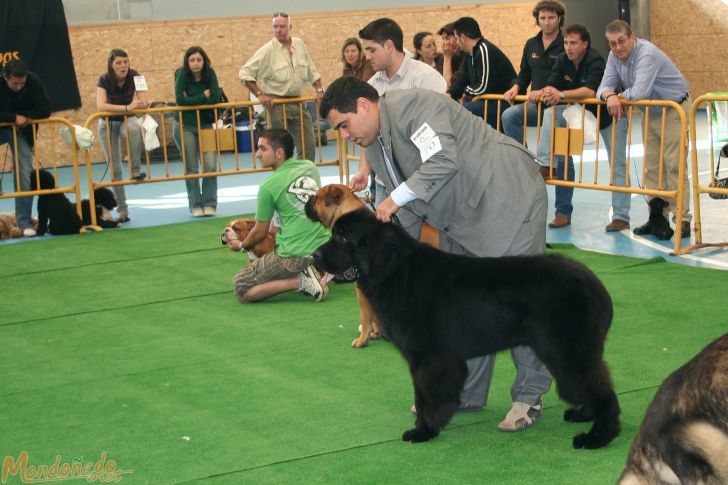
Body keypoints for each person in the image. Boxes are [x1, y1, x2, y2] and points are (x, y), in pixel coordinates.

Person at [321, 76, 553, 432]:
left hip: (510, 198)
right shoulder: (372, 147)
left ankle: (528, 397)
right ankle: (465, 393)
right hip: (462, 218)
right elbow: (411, 208)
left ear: (364, 106)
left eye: (343, 125)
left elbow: (442, 160)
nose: (343, 135)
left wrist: (393, 200)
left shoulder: (415, 106)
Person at [597, 19, 692, 237]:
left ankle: (683, 220)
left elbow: (640, 90)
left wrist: (617, 96)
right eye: (612, 43)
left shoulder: (646, 53)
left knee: (673, 165)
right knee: (652, 168)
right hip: (651, 110)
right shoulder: (613, 57)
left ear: (633, 38)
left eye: (622, 41)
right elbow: (602, 86)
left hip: (674, 108)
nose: (618, 47)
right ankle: (657, 218)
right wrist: (609, 95)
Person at [535, 24, 631, 231]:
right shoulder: (562, 59)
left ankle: (621, 217)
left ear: (585, 45)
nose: (568, 47)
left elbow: (590, 91)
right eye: (566, 43)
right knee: (551, 115)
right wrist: (546, 91)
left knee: (618, 164)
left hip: (609, 116)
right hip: (576, 115)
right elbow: (551, 86)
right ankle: (546, 164)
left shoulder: (596, 60)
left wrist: (560, 94)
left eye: (573, 43)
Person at [225, 128, 331, 303]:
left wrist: (242, 246)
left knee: (241, 287)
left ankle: (300, 281)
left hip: (295, 254)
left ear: (279, 153)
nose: (258, 154)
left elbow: (260, 232)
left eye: (262, 148)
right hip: (325, 247)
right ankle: (313, 271)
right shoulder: (310, 167)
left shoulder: (268, 186)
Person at [350, 18, 447, 203]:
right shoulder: (370, 88)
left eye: (371, 50)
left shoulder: (426, 79)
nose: (367, 56)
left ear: (389, 46)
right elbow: (368, 136)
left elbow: (440, 134)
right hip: (384, 184)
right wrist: (364, 170)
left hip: (421, 185)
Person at [239, 12, 325, 162]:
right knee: (279, 149)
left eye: (282, 26)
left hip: (298, 102)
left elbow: (312, 70)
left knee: (308, 145)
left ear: (290, 27)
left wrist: (319, 90)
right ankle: (283, 180)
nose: (278, 30)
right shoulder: (267, 50)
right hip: (275, 105)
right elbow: (245, 74)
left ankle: (304, 180)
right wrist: (260, 94)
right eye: (275, 27)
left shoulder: (300, 44)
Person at [502, 0, 565, 155]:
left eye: (551, 17)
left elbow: (567, 77)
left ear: (559, 19)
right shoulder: (531, 44)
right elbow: (525, 73)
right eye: (542, 18)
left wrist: (546, 91)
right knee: (509, 115)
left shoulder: (567, 44)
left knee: (562, 153)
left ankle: (565, 174)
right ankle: (524, 159)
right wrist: (516, 87)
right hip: (536, 106)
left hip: (561, 105)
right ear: (537, 19)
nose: (546, 22)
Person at [96, 48, 148, 223]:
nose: (123, 66)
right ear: (111, 65)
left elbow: (144, 103)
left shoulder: (136, 76)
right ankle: (123, 210)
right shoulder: (104, 79)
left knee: (134, 128)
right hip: (108, 123)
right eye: (118, 62)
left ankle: (135, 170)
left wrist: (134, 107)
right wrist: (127, 107)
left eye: (125, 62)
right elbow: (101, 106)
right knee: (115, 168)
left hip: (127, 120)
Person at [0, 59, 51, 237]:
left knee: (25, 173)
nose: (19, 87)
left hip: (21, 133)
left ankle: (24, 221)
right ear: (5, 77)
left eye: (22, 83)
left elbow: (45, 109)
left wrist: (26, 117)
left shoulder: (33, 81)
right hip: (4, 127)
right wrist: (13, 117)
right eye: (15, 83)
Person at [173, 46, 222, 218]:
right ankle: (195, 204)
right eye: (192, 60)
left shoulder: (210, 74)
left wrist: (192, 99)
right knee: (191, 167)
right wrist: (203, 96)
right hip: (185, 125)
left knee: (210, 165)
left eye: (199, 60)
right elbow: (180, 100)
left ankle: (209, 203)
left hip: (205, 125)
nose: (195, 63)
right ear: (187, 62)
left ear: (204, 61)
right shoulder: (181, 75)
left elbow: (216, 96)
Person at [448, 17, 516, 130]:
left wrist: (466, 91)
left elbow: (484, 88)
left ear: (462, 37)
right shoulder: (469, 53)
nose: (457, 42)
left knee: (465, 110)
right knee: (465, 106)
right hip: (489, 101)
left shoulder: (484, 50)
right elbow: (462, 78)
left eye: (456, 38)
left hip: (502, 101)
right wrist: (450, 94)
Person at [436, 23, 463, 88]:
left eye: (447, 38)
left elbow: (449, 84)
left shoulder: (468, 56)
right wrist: (446, 57)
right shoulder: (444, 57)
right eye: (443, 39)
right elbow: (443, 85)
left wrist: (447, 57)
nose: (445, 43)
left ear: (458, 37)